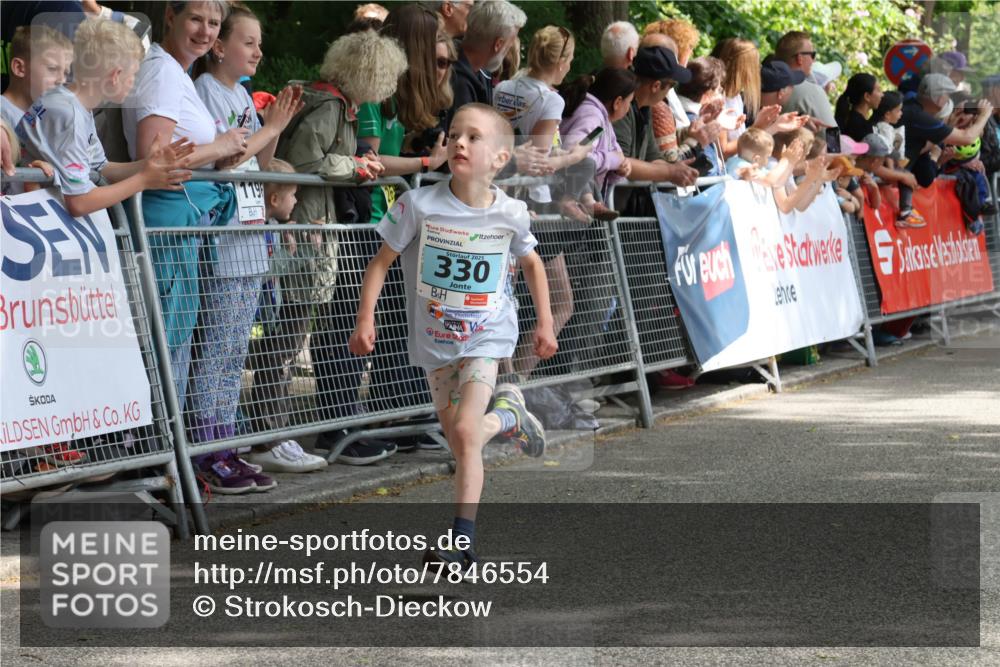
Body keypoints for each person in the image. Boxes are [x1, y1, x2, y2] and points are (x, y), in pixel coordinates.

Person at [349, 103, 556, 571]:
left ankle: (462, 543)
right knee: (460, 441)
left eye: (474, 137)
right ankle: (508, 418)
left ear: (500, 158)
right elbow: (379, 263)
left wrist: (543, 322)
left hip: (488, 335)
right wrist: (366, 319)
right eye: (455, 134)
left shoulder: (511, 213)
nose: (459, 142)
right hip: (434, 342)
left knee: (464, 431)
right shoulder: (418, 204)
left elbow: (532, 264)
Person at [122, 1, 265, 490]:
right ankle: (160, 465)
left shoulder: (176, 74)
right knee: (167, 350)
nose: (205, 31)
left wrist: (219, 155)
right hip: (167, 225)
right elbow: (153, 159)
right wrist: (220, 148)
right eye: (196, 20)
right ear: (170, 17)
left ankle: (172, 466)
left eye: (213, 23)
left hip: (187, 223)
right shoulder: (161, 72)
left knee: (176, 349)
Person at [276, 28, 407, 465]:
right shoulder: (330, 105)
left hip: (312, 220)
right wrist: (356, 166)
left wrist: (355, 165)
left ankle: (275, 429)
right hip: (307, 224)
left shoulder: (332, 103)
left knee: (294, 329)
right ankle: (271, 430)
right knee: (290, 330)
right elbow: (305, 160)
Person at [189, 3, 309, 479]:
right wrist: (271, 129)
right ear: (219, 47)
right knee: (217, 348)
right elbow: (226, 160)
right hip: (224, 241)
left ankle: (226, 441)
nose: (259, 50)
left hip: (250, 237)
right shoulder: (206, 91)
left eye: (260, 42)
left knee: (237, 348)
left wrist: (274, 126)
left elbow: (258, 161)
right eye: (249, 41)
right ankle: (205, 446)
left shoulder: (239, 91)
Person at [16, 16, 192, 219]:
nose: (134, 82)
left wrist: (148, 165)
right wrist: (143, 180)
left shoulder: (74, 105)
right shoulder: (69, 114)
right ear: (115, 75)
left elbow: (101, 168)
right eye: (133, 74)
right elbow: (80, 202)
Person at [241, 158, 329, 473]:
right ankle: (265, 438)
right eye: (293, 194)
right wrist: (302, 251)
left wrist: (303, 249)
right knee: (274, 362)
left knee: (282, 363)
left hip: (267, 310)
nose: (297, 201)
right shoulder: (260, 229)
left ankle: (274, 435)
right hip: (254, 310)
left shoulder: (277, 228)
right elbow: (269, 268)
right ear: (275, 200)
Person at [611, 45, 699, 206]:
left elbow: (653, 158)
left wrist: (679, 171)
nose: (670, 92)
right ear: (656, 86)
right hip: (594, 213)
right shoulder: (620, 107)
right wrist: (669, 172)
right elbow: (620, 162)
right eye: (671, 86)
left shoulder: (645, 108)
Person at [901, 73, 993, 189]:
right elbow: (967, 138)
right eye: (947, 95)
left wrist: (950, 125)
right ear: (938, 97)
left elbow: (919, 151)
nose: (948, 100)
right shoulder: (919, 116)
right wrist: (984, 115)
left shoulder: (913, 109)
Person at [559, 67, 637, 200]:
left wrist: (620, 169)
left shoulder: (603, 122)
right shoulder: (594, 120)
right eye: (629, 102)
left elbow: (616, 154)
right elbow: (576, 153)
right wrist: (613, 160)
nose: (629, 108)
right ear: (617, 102)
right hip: (566, 205)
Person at [445, 0, 525, 130]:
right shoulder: (458, 81)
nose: (509, 49)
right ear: (498, 44)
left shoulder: (476, 72)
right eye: (510, 44)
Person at [775, 30, 839, 150]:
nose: (813, 61)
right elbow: (833, 140)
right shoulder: (812, 91)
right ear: (800, 58)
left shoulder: (764, 85)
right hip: (800, 163)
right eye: (812, 55)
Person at [1, 25, 72, 131]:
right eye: (52, 69)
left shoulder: (41, 116)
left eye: (66, 73)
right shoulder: (3, 117)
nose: (62, 80)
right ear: (19, 68)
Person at [674, 56, 727, 176]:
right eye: (719, 90)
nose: (721, 95)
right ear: (708, 93)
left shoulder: (676, 109)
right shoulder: (695, 121)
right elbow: (710, 170)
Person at [711, 37, 761, 158]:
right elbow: (723, 151)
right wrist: (758, 127)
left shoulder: (736, 96)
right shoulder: (717, 98)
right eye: (753, 64)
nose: (758, 68)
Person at [834, 73, 881, 142]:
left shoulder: (848, 118)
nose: (882, 95)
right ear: (867, 96)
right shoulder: (861, 127)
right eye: (878, 90)